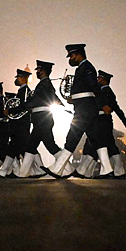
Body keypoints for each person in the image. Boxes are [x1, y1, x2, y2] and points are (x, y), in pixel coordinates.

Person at [49, 44, 105, 177]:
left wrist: (103, 104)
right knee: (95, 140)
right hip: (84, 107)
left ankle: (57, 168)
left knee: (72, 137)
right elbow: (85, 89)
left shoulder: (87, 67)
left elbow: (94, 87)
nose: (70, 58)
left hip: (85, 109)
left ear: (79, 54)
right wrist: (73, 99)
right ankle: (107, 167)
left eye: (72, 55)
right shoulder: (82, 68)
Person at [20, 61, 62, 177]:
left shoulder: (44, 84)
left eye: (38, 70)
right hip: (41, 119)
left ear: (42, 71)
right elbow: (54, 98)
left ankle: (66, 167)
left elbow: (35, 101)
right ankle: (22, 173)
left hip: (42, 119)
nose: (36, 72)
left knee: (49, 145)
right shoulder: (45, 84)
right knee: (31, 145)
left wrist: (19, 108)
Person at [95, 70, 126, 178]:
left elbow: (116, 108)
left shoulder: (107, 92)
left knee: (108, 144)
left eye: (99, 78)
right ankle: (115, 170)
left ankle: (117, 170)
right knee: (103, 144)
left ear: (103, 79)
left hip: (104, 120)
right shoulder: (102, 91)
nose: (98, 80)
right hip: (100, 119)